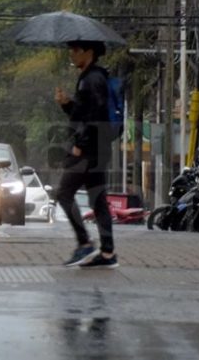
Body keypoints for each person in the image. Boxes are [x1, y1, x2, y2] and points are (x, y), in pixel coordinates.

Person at [54, 40, 118, 269]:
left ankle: (84, 243)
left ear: (88, 52)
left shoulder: (92, 79)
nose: (71, 54)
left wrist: (80, 144)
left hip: (88, 150)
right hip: (98, 148)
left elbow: (96, 116)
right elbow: (82, 114)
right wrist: (66, 104)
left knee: (64, 194)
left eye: (75, 50)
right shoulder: (93, 77)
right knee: (98, 199)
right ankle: (108, 253)